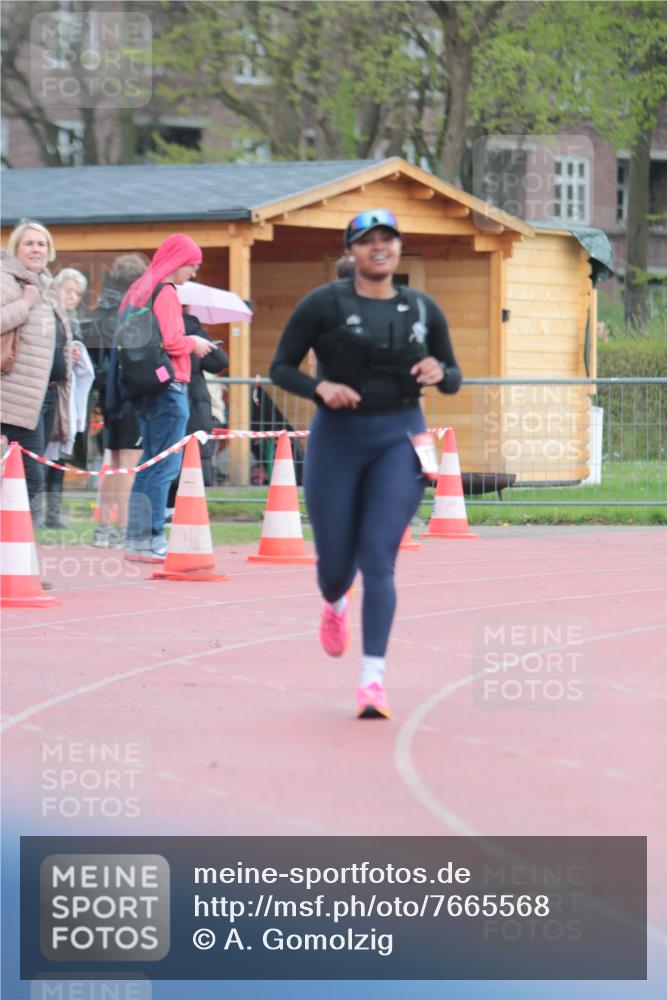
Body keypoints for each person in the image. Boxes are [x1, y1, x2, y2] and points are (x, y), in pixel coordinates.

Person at [270, 208, 461, 719]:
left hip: (398, 440)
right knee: (335, 567)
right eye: (368, 240)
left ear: (398, 248)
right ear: (350, 251)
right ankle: (334, 603)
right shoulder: (323, 304)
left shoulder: (422, 309)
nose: (380, 247)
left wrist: (438, 369)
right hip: (337, 441)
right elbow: (280, 367)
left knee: (378, 557)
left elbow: (454, 375)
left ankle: (372, 681)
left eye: (389, 239)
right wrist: (320, 387)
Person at [109, 234, 215, 562]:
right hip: (169, 388)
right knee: (164, 466)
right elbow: (171, 341)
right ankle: (152, 537)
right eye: (192, 266)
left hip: (143, 387)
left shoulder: (139, 288)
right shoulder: (166, 291)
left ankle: (137, 539)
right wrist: (193, 343)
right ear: (179, 262)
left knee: (148, 463)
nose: (193, 274)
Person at [1, 219, 72, 527]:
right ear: (16, 248)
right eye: (29, 243)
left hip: (43, 396)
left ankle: (14, 563)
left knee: (25, 481)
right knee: (29, 479)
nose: (36, 249)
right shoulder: (8, 280)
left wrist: (70, 353)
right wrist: (25, 304)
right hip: (13, 395)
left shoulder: (48, 286)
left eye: (41, 244)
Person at [89, 253, 149, 547]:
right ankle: (125, 527)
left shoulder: (99, 311)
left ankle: (103, 529)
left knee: (112, 462)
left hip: (106, 394)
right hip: (128, 394)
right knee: (128, 462)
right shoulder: (132, 312)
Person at [43, 268, 94, 529]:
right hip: (49, 394)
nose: (73, 297)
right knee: (42, 455)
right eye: (69, 291)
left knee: (59, 458)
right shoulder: (47, 318)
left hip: (68, 398)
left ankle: (53, 513)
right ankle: (35, 512)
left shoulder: (75, 323)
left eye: (78, 293)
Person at [166, 308, 228, 513]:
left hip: (172, 397)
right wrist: (200, 333)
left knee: (169, 454)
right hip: (195, 401)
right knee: (192, 456)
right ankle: (187, 511)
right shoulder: (192, 328)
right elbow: (219, 362)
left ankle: (168, 510)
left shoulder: (160, 325)